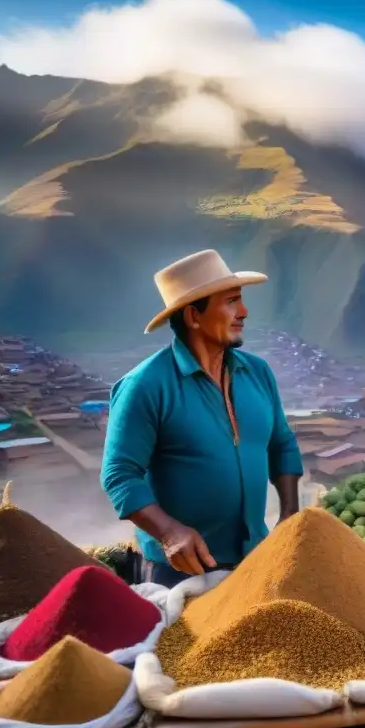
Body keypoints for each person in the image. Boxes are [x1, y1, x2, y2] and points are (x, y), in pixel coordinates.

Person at [101, 249, 304, 588]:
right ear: (194, 316)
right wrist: (169, 533)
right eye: (232, 302)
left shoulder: (258, 373)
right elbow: (119, 475)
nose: (244, 312)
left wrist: (289, 515)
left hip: (256, 557)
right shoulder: (145, 387)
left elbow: (282, 443)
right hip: (179, 570)